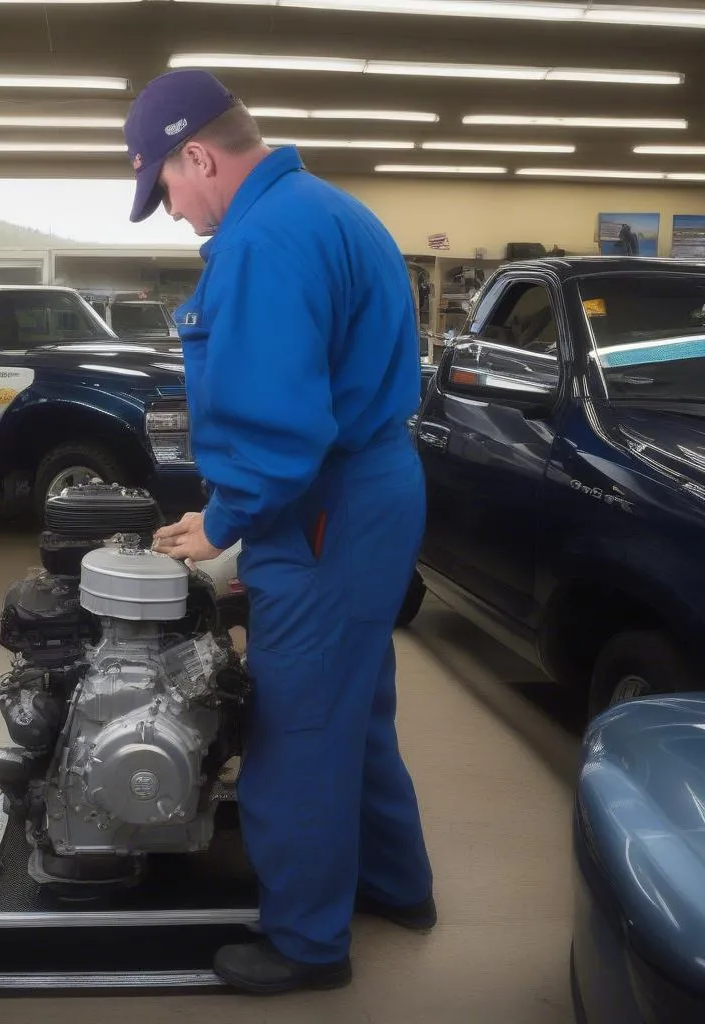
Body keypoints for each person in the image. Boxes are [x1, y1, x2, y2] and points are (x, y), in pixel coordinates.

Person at [123, 69, 435, 995]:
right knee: (356, 708)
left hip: (326, 507)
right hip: (369, 490)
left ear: (198, 153)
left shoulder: (262, 242)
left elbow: (278, 431)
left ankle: (307, 942)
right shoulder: (328, 209)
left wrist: (222, 521)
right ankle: (396, 884)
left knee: (298, 725)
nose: (173, 211)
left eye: (166, 188)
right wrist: (228, 514)